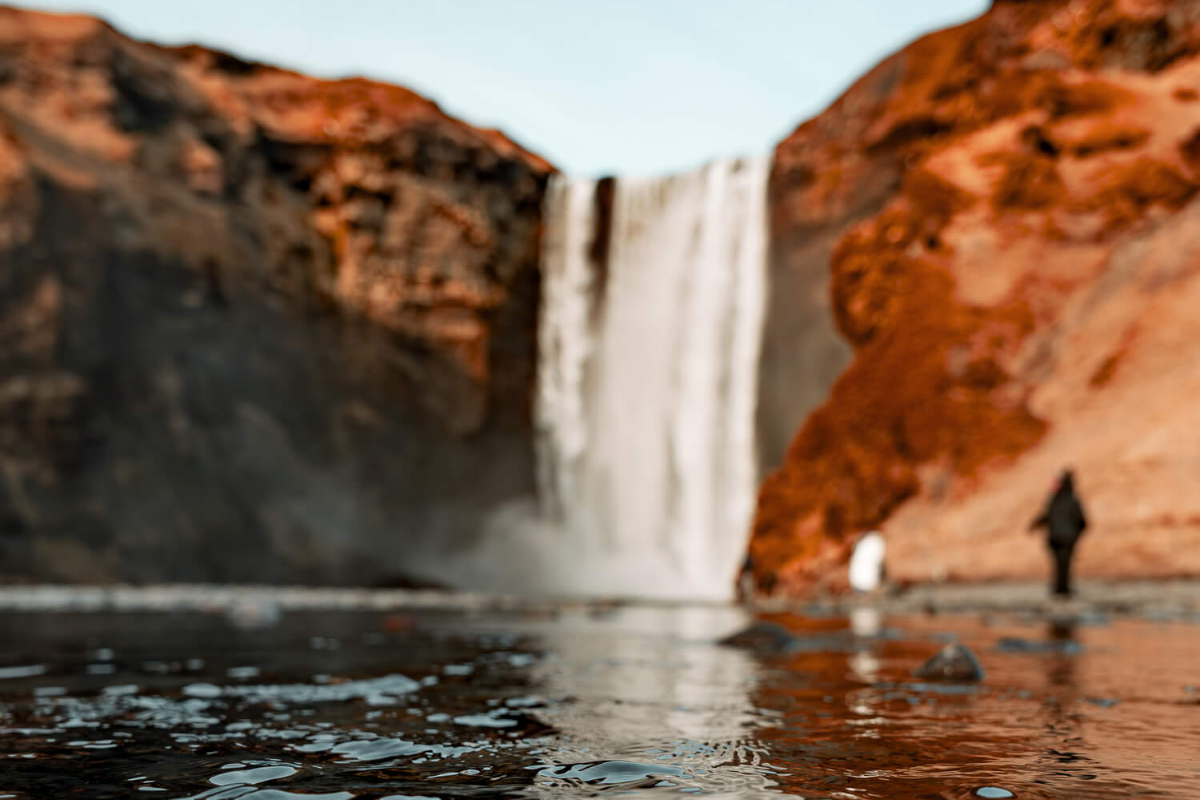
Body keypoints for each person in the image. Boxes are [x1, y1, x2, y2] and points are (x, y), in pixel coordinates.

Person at [1029, 469, 1088, 597]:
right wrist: (1078, 533)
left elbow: (1045, 516)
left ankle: (1059, 588)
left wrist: (1034, 525)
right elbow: (1082, 520)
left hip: (1055, 537)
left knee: (1058, 563)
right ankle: (1063, 588)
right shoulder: (1072, 500)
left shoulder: (1054, 500)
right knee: (1064, 563)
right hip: (1067, 538)